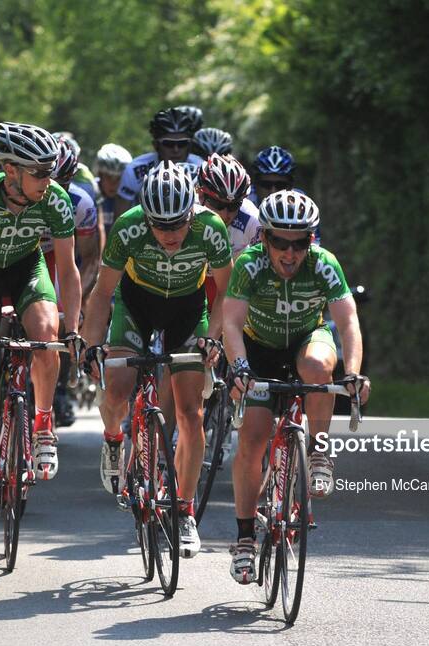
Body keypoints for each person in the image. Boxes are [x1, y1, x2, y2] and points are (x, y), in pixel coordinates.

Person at [82, 161, 232, 558]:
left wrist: (213, 340)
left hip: (188, 311)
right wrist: (89, 343)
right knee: (117, 386)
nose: (168, 235)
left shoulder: (211, 228)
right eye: (158, 226)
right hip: (136, 305)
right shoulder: (128, 227)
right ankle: (114, 439)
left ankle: (184, 511)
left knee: (191, 413)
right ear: (145, 217)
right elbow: (101, 294)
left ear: (191, 213)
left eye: (176, 226)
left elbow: (229, 296)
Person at [222, 190, 370, 584]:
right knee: (252, 438)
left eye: (300, 242)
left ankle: (319, 453)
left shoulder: (323, 265)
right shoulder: (249, 265)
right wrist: (239, 368)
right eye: (281, 243)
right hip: (259, 349)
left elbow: (348, 321)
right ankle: (244, 539)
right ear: (265, 238)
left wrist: (352, 373)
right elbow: (232, 323)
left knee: (319, 366)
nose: (290, 253)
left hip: (307, 339)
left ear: (311, 240)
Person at [0, 122, 82, 525]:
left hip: (27, 269)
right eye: (40, 172)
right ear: (11, 171)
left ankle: (44, 425)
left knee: (47, 335)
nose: (49, 179)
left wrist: (74, 328)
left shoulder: (56, 200)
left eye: (51, 171)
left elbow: (71, 270)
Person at [45, 137, 102, 427]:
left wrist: (78, 303)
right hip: (26, 256)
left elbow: (91, 259)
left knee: (67, 321)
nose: (54, 191)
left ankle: (58, 390)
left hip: (61, 260)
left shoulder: (81, 202)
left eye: (63, 182)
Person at [113, 106, 204, 223]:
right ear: (155, 145)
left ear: (190, 145)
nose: (176, 150)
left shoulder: (201, 168)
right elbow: (120, 219)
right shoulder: (134, 170)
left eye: (182, 143)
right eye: (168, 144)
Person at [93, 143, 133, 241]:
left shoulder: (134, 196)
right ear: (100, 174)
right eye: (109, 177)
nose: (113, 183)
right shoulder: (90, 192)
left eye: (119, 178)